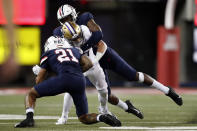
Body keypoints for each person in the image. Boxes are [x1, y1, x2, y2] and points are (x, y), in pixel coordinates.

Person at [53, 4, 183, 124]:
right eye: (64, 20)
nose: (67, 22)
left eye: (69, 18)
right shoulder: (59, 32)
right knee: (105, 95)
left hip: (103, 55)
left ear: (74, 14)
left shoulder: (85, 21)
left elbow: (98, 35)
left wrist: (84, 46)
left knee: (134, 76)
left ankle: (167, 90)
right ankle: (127, 107)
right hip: (90, 63)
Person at [15, 36, 121, 128]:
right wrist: (75, 71)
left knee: (31, 94)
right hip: (79, 80)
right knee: (84, 117)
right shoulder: (75, 51)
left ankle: (29, 119)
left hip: (64, 79)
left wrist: (38, 73)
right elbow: (89, 64)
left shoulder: (48, 54)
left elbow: (39, 82)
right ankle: (101, 117)